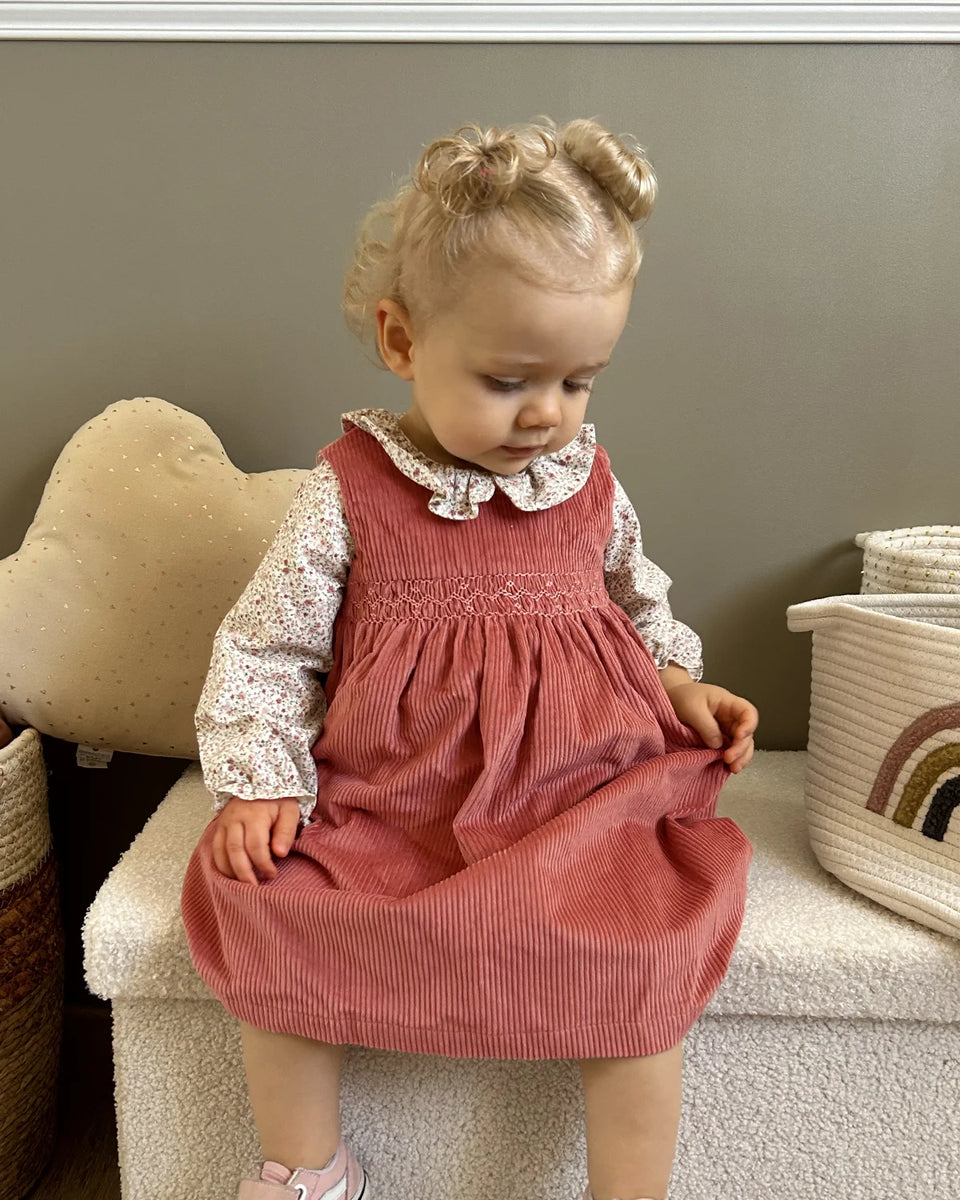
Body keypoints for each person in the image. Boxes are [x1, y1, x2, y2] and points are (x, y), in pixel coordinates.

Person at [181, 116, 758, 1200]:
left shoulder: (585, 484)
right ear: (402, 342)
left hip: (579, 791)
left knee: (638, 944)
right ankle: (308, 1170)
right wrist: (261, 780)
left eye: (579, 382)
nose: (546, 414)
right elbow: (270, 642)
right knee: (268, 906)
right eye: (508, 379)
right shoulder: (350, 491)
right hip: (402, 792)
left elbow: (637, 601)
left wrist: (681, 683)